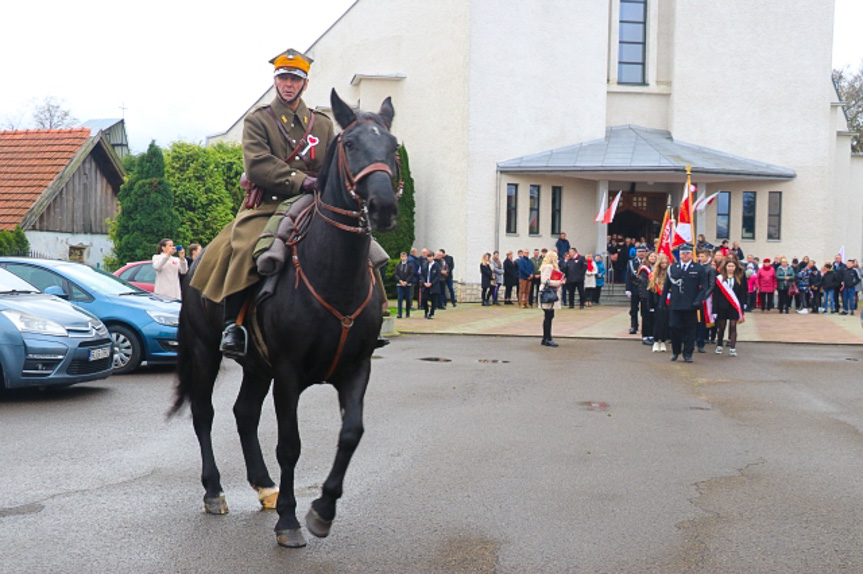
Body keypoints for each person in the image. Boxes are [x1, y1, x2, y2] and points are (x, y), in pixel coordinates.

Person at [190, 48, 336, 356]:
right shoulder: (259, 120)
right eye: (283, 77)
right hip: (269, 204)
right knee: (244, 247)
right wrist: (301, 180)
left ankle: (363, 320)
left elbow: (331, 165)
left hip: (315, 203)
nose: (288, 84)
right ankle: (233, 325)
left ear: (305, 85)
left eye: (295, 79)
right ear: (275, 81)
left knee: (360, 243)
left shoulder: (322, 124)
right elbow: (256, 163)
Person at [664, 244, 706, 363]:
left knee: (690, 330)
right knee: (674, 328)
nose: (685, 255)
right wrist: (662, 302)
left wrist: (698, 300)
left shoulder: (698, 268)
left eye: (687, 253)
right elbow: (667, 286)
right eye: (683, 253)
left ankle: (688, 353)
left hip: (691, 305)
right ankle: (676, 351)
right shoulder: (673, 267)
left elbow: (704, 287)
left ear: (691, 254)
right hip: (675, 304)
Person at [714, 257, 747, 357]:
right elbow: (716, 295)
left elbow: (743, 293)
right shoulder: (720, 278)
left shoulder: (739, 278)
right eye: (729, 266)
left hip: (734, 305)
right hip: (722, 306)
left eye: (733, 266)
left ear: (735, 267)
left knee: (733, 326)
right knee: (722, 327)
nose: (731, 268)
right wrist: (714, 309)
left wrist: (743, 305)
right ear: (726, 267)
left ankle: (732, 348)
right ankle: (719, 345)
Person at [538, 251, 564, 347]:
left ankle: (546, 338)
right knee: (548, 316)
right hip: (548, 293)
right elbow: (545, 280)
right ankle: (547, 338)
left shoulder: (548, 266)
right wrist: (558, 282)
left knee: (549, 316)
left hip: (548, 292)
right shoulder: (548, 266)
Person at [695, 249, 717, 353]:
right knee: (694, 320)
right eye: (699, 256)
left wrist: (703, 296)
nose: (700, 258)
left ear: (708, 257)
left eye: (702, 256)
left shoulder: (710, 269)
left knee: (702, 321)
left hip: (704, 299)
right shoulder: (696, 267)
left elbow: (712, 285)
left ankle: (701, 341)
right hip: (695, 297)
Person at [649, 253, 670, 352]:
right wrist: (651, 305)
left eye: (666, 263)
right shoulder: (654, 275)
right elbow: (651, 290)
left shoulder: (670, 274)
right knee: (657, 322)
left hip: (668, 302)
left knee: (665, 323)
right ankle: (656, 341)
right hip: (657, 302)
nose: (664, 265)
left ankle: (663, 341)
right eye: (662, 263)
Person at [637, 252, 657, 345]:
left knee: (653, 317)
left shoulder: (656, 268)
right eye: (651, 256)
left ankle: (651, 335)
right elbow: (643, 283)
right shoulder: (644, 269)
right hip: (646, 295)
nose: (653, 258)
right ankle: (645, 336)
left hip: (654, 295)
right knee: (646, 316)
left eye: (654, 256)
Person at [626, 244, 647, 333]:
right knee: (634, 309)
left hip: (645, 289)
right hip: (635, 287)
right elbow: (628, 276)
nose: (641, 254)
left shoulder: (648, 263)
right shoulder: (631, 262)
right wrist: (628, 289)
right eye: (639, 252)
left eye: (643, 252)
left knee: (645, 309)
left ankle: (645, 327)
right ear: (636, 253)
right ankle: (633, 326)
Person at [394, 251, 416, 319]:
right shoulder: (398, 265)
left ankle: (407, 312)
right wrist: (400, 281)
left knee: (408, 298)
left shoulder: (410, 265)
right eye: (402, 256)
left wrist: (406, 281)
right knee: (400, 298)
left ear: (406, 257)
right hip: (400, 284)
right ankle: (399, 313)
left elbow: (411, 274)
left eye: (404, 256)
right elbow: (396, 274)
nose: (403, 258)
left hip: (408, 284)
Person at [420, 251, 441, 319]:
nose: (429, 258)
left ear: (433, 257)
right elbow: (421, 275)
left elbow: (438, 276)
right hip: (425, 285)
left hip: (433, 286)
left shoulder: (436, 265)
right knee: (424, 299)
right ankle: (426, 311)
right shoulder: (424, 264)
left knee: (433, 300)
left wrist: (431, 283)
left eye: (430, 257)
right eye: (428, 257)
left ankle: (431, 313)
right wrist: (424, 282)